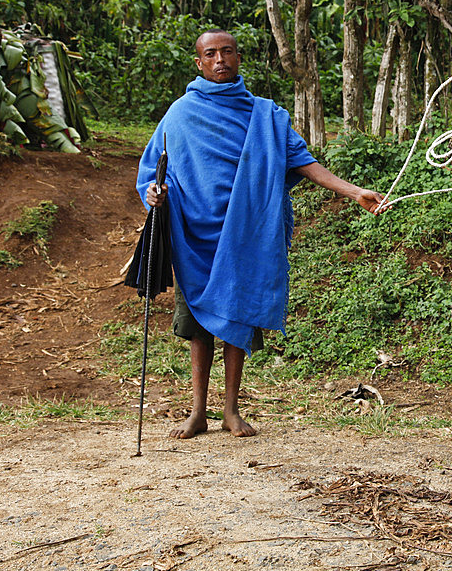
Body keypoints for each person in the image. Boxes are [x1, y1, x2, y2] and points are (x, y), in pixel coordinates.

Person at [137, 29, 385, 439]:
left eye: (227, 52)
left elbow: (303, 161)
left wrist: (354, 191)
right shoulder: (178, 115)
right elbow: (154, 171)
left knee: (240, 315)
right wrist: (154, 194)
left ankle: (231, 410)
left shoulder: (264, 115)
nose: (220, 60)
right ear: (198, 63)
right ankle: (197, 411)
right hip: (192, 235)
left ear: (238, 58)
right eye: (211, 54)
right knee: (198, 326)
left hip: (246, 232)